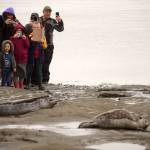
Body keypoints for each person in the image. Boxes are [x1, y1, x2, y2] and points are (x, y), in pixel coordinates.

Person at [39, 6, 64, 84]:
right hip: (39, 44)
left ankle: (45, 80)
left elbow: (60, 29)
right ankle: (37, 80)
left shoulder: (52, 21)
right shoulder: (38, 20)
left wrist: (60, 21)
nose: (48, 13)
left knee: (46, 63)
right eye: (46, 11)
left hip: (49, 45)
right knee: (38, 63)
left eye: (49, 12)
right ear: (43, 12)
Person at [25, 13, 45, 90]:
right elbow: (26, 37)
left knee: (39, 68)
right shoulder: (28, 26)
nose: (34, 19)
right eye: (33, 18)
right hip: (31, 48)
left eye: (35, 18)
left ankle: (39, 84)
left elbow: (42, 38)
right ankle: (27, 84)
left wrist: (37, 30)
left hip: (39, 49)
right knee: (30, 67)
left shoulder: (40, 26)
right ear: (31, 18)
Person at [10, 24, 30, 88]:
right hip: (15, 59)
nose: (18, 32)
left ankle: (21, 84)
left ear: (22, 32)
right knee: (15, 73)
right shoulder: (12, 38)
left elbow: (27, 46)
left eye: (20, 31)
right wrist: (13, 38)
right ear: (15, 32)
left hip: (23, 59)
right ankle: (16, 85)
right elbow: (9, 46)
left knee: (22, 73)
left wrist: (25, 39)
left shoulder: (24, 38)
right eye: (17, 31)